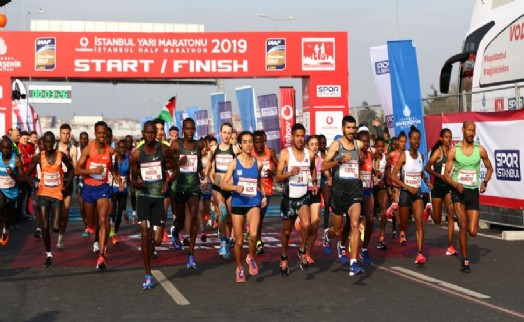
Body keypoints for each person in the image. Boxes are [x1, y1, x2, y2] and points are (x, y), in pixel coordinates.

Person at [130, 120, 177, 289]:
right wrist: (138, 182)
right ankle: (148, 274)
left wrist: (167, 182)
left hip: (158, 198)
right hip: (143, 197)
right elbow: (132, 181)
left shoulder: (163, 150)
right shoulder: (137, 154)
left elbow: (176, 169)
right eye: (147, 132)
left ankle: (152, 244)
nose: (150, 135)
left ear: (155, 134)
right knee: (144, 235)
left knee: (156, 240)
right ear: (143, 133)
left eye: (153, 132)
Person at [444, 121, 493, 273]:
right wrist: (454, 184)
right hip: (458, 192)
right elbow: (446, 174)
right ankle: (465, 260)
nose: (471, 133)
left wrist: (484, 181)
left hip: (473, 193)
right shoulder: (454, 151)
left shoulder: (480, 150)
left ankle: (463, 242)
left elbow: (490, 168)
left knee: (473, 231)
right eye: (469, 130)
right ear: (463, 130)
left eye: (474, 130)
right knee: (463, 226)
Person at [322, 115, 365, 276]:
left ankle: (353, 263)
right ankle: (328, 234)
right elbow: (324, 166)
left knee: (354, 225)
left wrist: (362, 174)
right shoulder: (336, 145)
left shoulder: (358, 145)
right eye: (349, 128)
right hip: (339, 193)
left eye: (354, 128)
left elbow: (361, 160)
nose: (352, 131)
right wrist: (339, 161)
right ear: (342, 129)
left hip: (354, 191)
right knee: (338, 231)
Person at [221, 131, 267, 282]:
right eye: (245, 142)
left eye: (250, 141)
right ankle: (239, 267)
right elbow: (223, 184)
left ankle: (251, 257)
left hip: (253, 200)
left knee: (253, 235)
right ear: (240, 144)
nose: (248, 145)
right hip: (238, 203)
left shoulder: (258, 163)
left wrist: (264, 195)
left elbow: (259, 181)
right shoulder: (234, 163)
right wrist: (235, 188)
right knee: (239, 241)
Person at [26, 131, 74, 268]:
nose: (48, 144)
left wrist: (68, 184)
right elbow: (28, 173)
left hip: (57, 194)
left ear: (54, 142)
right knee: (45, 226)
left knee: (55, 226)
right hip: (43, 194)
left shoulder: (61, 155)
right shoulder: (38, 157)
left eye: (50, 142)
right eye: (45, 142)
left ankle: (54, 231)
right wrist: (31, 181)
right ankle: (49, 254)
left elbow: (71, 170)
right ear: (43, 142)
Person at [276, 123, 318, 276]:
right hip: (289, 198)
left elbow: (312, 168)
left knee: (307, 225)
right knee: (287, 232)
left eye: (302, 136)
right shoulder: (285, 154)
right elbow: (278, 177)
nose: (300, 139)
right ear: (292, 137)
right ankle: (284, 257)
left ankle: (302, 251)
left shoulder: (310, 154)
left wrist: (313, 183)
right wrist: (290, 173)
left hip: (303, 197)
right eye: (297, 136)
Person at [75, 121, 118, 270]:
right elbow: (76, 170)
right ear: (95, 133)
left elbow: (113, 167)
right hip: (88, 188)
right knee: (91, 221)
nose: (101, 136)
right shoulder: (88, 149)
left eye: (104, 133)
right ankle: (90, 226)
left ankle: (101, 255)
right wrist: (92, 172)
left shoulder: (110, 151)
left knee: (103, 219)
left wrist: (116, 176)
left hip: (103, 188)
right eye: (99, 133)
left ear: (107, 134)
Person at [390, 125, 433, 265]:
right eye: (414, 139)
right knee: (404, 224)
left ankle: (419, 253)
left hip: (417, 193)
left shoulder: (421, 156)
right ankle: (393, 210)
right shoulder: (404, 155)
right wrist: (408, 187)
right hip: (405, 193)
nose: (416, 141)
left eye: (418, 139)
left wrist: (426, 180)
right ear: (410, 140)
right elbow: (393, 176)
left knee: (419, 222)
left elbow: (420, 172)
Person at [170, 118, 205, 269]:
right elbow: (166, 161)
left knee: (195, 214)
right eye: (187, 129)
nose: (190, 132)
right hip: (179, 187)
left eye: (192, 129)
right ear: (183, 129)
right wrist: (178, 162)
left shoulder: (198, 145)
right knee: (181, 219)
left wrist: (201, 172)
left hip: (194, 187)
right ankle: (175, 231)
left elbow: (197, 164)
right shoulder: (176, 144)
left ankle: (191, 255)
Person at [208, 123, 239, 259]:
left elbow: (242, 162)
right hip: (218, 187)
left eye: (229, 133)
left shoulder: (235, 149)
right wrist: (204, 173)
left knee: (231, 213)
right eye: (224, 132)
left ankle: (229, 236)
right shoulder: (214, 149)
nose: (226, 135)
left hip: (230, 187)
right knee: (222, 211)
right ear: (219, 133)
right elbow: (210, 163)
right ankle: (224, 240)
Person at [424, 128, 457, 256]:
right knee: (437, 220)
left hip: (449, 187)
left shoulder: (453, 152)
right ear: (441, 138)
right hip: (438, 186)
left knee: (450, 214)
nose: (448, 139)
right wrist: (439, 175)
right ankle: (429, 210)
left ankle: (450, 245)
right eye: (446, 137)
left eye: (450, 137)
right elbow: (427, 167)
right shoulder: (438, 152)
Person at [251, 130, 278, 256]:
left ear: (265, 140)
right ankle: (258, 242)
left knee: (260, 218)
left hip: (267, 191)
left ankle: (254, 235)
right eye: (256, 142)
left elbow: (279, 169)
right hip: (253, 190)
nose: (259, 145)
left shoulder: (270, 152)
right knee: (256, 217)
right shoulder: (249, 153)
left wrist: (273, 172)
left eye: (261, 141)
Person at [55, 123, 78, 249]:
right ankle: (56, 227)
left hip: (67, 183)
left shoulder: (73, 149)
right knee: (55, 210)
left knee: (65, 212)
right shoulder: (54, 147)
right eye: (63, 133)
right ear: (60, 134)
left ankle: (61, 236)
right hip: (55, 183)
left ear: (70, 134)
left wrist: (68, 162)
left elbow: (74, 167)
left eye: (67, 133)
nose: (65, 136)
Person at [0, 137, 24, 246]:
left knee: (9, 216)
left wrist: (13, 175)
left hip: (12, 191)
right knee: (0, 205)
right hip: (1, 189)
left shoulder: (16, 160)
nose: (5, 150)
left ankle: (6, 229)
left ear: (11, 149)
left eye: (8, 148)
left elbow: (22, 178)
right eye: (3, 148)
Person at [304, 135, 323, 264]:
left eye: (317, 144)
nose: (315, 147)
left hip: (316, 193)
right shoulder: (303, 159)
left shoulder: (322, 159)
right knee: (307, 225)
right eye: (312, 144)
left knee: (315, 224)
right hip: (304, 193)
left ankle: (307, 252)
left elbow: (327, 172)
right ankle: (303, 246)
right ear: (307, 145)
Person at [386, 133, 407, 240]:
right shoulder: (391, 155)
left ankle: (401, 227)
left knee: (404, 209)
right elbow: (387, 169)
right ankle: (402, 231)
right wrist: (388, 184)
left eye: (405, 141)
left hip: (405, 185)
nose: (403, 144)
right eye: (401, 141)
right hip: (395, 185)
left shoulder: (407, 154)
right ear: (398, 142)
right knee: (397, 208)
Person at [110, 140, 130, 244]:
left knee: (119, 213)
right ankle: (111, 227)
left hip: (124, 189)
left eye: (124, 148)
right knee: (113, 212)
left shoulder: (128, 160)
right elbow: (112, 171)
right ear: (118, 148)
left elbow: (130, 174)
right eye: (120, 148)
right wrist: (118, 180)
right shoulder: (115, 159)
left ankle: (114, 233)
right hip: (115, 187)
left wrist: (128, 181)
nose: (122, 150)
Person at [373, 137, 389, 249]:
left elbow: (387, 173)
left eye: (382, 146)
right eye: (378, 146)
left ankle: (382, 238)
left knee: (384, 212)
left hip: (381, 187)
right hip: (369, 186)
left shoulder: (386, 158)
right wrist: (374, 173)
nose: (380, 149)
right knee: (368, 215)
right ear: (374, 146)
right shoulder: (371, 157)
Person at [76, 132, 91, 237]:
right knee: (81, 206)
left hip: (89, 180)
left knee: (89, 205)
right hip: (80, 180)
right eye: (82, 139)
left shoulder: (90, 150)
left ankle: (90, 225)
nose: (84, 140)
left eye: (85, 139)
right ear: (79, 140)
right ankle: (86, 226)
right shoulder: (75, 150)